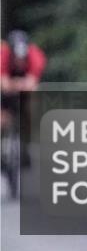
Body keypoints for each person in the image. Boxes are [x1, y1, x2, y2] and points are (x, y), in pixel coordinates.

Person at [1, 29, 47, 166]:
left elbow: (32, 82)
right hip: (6, 90)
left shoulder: (35, 55)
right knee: (2, 118)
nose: (19, 61)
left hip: (23, 90)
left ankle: (26, 141)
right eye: (16, 58)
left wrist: (15, 85)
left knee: (33, 102)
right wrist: (17, 84)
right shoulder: (3, 55)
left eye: (22, 58)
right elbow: (3, 84)